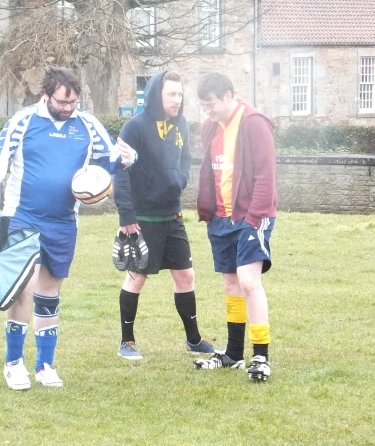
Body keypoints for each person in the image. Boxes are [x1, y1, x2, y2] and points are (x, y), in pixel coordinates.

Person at [0, 66, 136, 390]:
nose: (67, 108)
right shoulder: (23, 122)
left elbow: (107, 162)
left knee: (50, 295)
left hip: (64, 223)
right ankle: (14, 363)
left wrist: (126, 158)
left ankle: (45, 366)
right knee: (24, 288)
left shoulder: (87, 125)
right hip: (23, 218)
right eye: (62, 102)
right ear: (45, 95)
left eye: (73, 102)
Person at [112, 71, 215, 361]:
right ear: (157, 94)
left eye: (180, 95)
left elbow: (185, 160)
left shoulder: (181, 123)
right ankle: (127, 342)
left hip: (173, 216)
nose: (177, 100)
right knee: (136, 277)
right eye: (171, 94)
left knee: (186, 275)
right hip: (142, 219)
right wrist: (126, 215)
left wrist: (181, 179)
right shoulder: (134, 127)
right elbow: (119, 172)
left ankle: (194, 340)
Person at [193, 72, 277, 382]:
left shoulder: (255, 123)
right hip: (221, 218)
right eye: (202, 106)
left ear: (229, 95)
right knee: (230, 283)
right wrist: (211, 214)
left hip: (252, 216)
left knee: (249, 281)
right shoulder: (208, 127)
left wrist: (254, 218)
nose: (207, 112)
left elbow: (266, 176)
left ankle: (261, 356)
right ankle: (232, 354)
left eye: (211, 105)